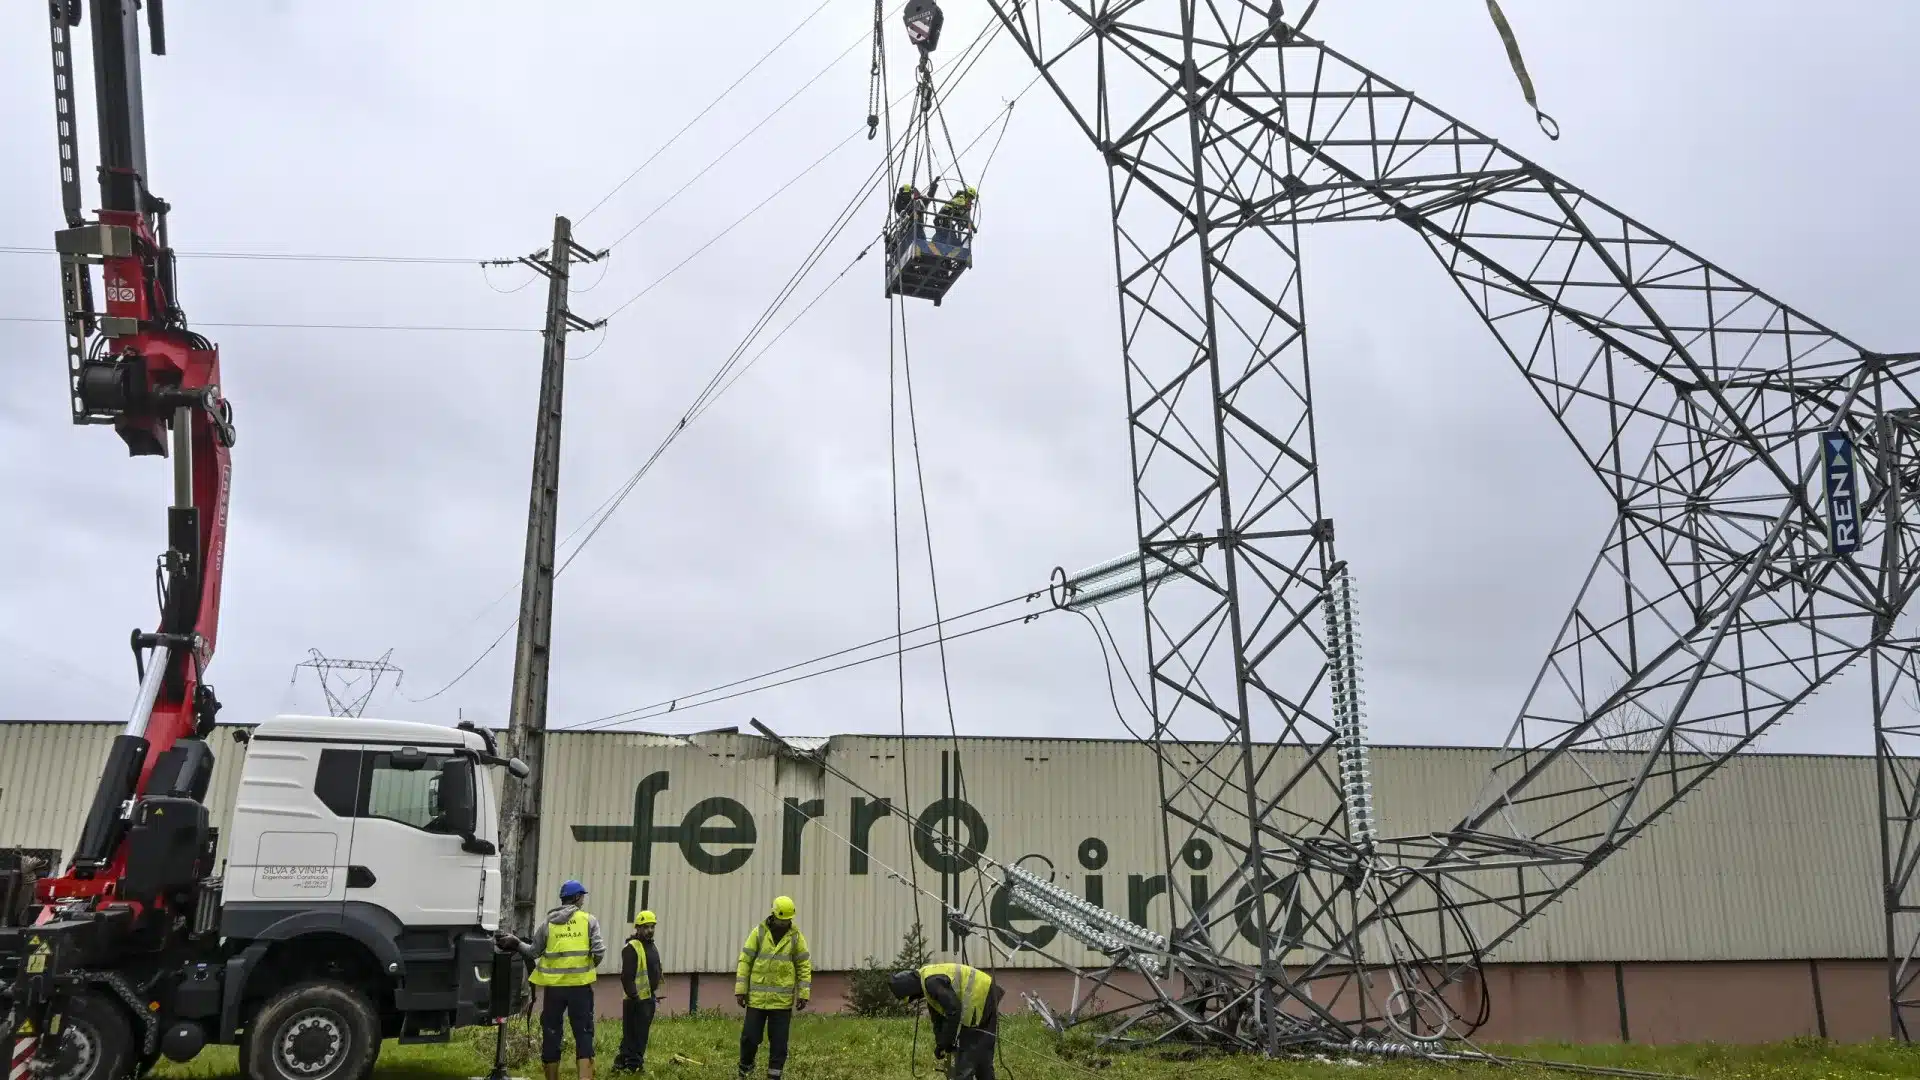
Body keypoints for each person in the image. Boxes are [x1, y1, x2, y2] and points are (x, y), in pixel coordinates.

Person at [498, 880, 606, 1080]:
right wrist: (587, 968)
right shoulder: (589, 920)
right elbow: (599, 951)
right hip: (580, 988)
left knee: (551, 1032)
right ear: (576, 898)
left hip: (554, 990)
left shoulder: (548, 923)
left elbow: (533, 952)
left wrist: (515, 943)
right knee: (583, 1032)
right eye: (582, 896)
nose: (583, 900)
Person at [734, 895, 811, 1080]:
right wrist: (740, 990)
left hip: (781, 1003)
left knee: (779, 1043)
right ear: (773, 915)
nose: (784, 924)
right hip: (757, 1000)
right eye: (781, 920)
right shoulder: (759, 933)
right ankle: (745, 1070)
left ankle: (774, 1075)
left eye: (788, 921)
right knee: (750, 1038)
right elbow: (745, 960)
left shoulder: (796, 937)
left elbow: (803, 965)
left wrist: (804, 993)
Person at [888, 962, 1003, 1080]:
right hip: (986, 993)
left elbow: (954, 1011)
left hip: (980, 996)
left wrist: (948, 1041)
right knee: (983, 1055)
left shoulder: (931, 983)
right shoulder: (927, 982)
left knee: (967, 1056)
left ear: (910, 989)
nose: (915, 999)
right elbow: (938, 1019)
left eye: (912, 997)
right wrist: (941, 1044)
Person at [612, 910, 663, 1073]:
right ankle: (634, 1066)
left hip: (647, 997)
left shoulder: (650, 945)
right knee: (636, 1035)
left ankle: (622, 1063)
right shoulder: (632, 947)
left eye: (652, 926)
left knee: (634, 1034)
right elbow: (627, 977)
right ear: (638, 928)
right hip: (636, 1000)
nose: (650, 930)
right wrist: (635, 996)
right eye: (646, 927)